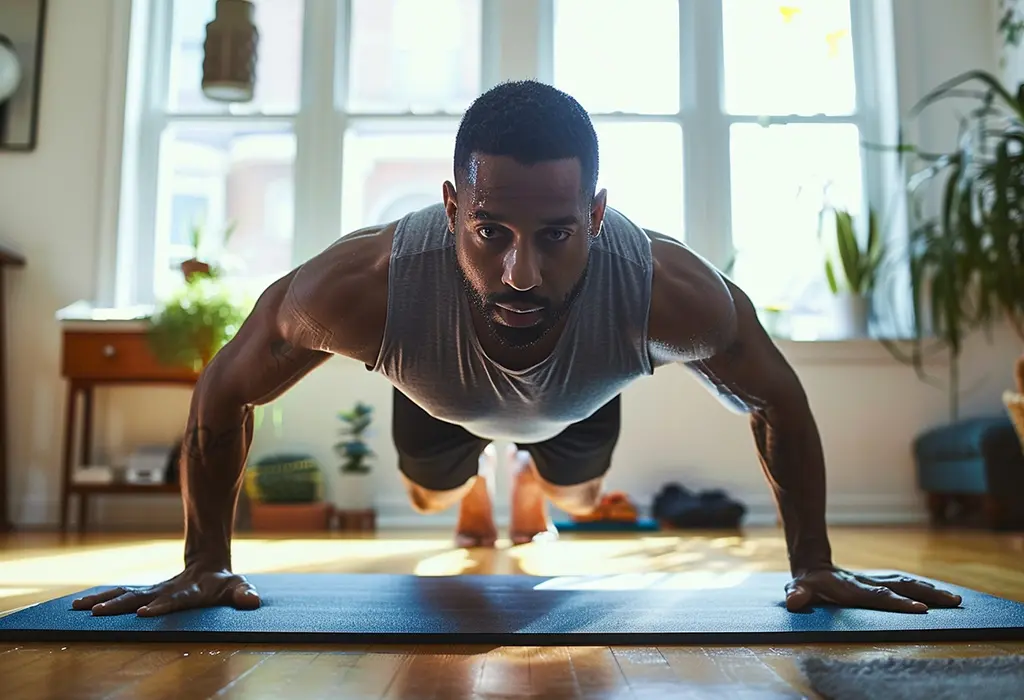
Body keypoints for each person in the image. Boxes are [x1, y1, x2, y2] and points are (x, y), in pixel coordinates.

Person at [72, 80, 962, 618]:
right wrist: (205, 561)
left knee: (574, 491)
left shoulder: (666, 289)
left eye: (558, 234)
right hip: (437, 390)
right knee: (431, 490)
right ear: (454, 206)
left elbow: (778, 398)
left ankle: (535, 480)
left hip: (580, 395)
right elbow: (225, 389)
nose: (522, 271)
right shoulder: (359, 288)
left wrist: (814, 565)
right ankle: (487, 485)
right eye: (491, 229)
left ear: (599, 217)